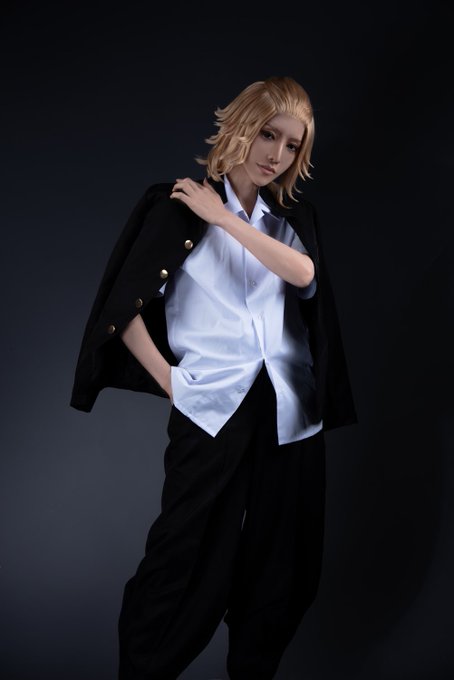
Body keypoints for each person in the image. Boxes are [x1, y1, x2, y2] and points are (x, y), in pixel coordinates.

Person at [70, 75, 358, 680]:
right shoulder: (173, 205)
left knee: (285, 567)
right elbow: (121, 312)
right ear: (241, 126)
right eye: (268, 134)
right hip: (211, 407)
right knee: (185, 559)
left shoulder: (292, 218)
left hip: (290, 408)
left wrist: (224, 219)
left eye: (292, 145)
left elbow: (305, 276)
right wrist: (171, 382)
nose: (276, 154)